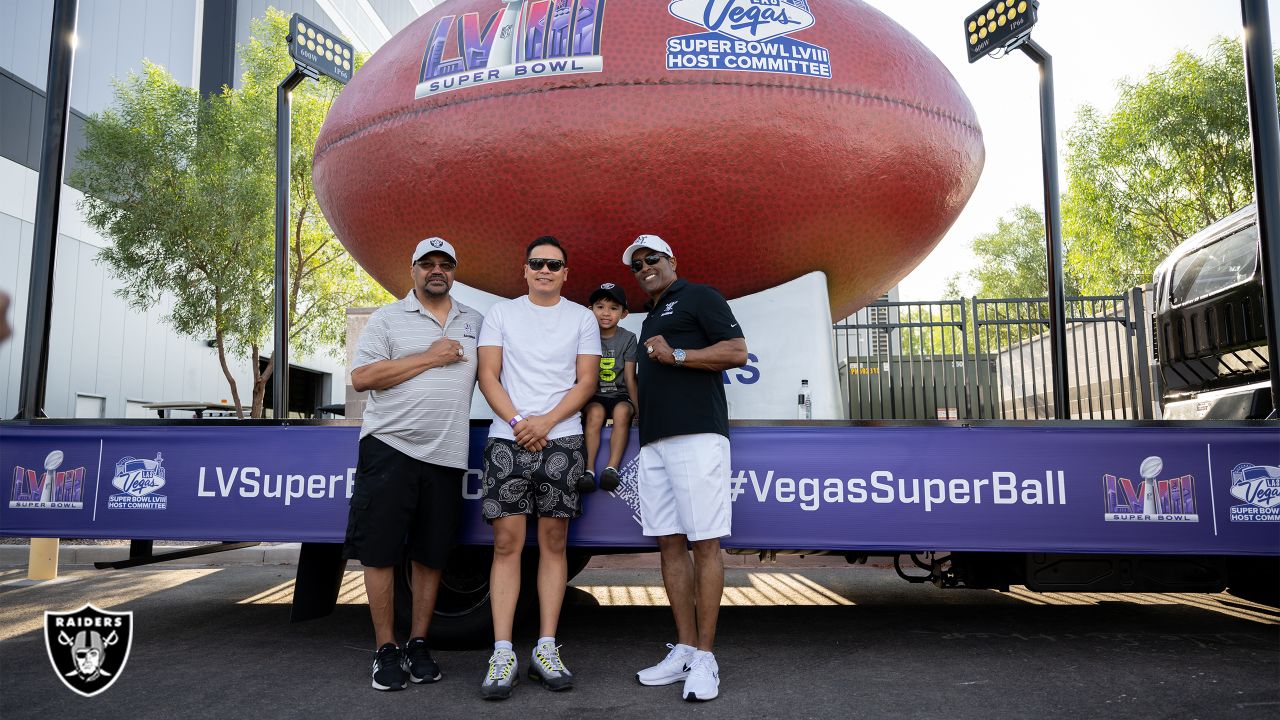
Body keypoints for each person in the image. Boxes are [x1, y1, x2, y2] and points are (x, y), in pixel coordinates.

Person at [345, 237, 482, 691]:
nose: (436, 270)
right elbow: (364, 378)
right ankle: (386, 648)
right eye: (428, 264)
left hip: (446, 454)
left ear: (454, 272)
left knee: (431, 555)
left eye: (445, 264)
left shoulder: (474, 321)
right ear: (414, 271)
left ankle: (418, 643)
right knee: (381, 553)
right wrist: (431, 356)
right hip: (390, 447)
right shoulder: (388, 318)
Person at [475, 236, 601, 700]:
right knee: (506, 544)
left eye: (554, 264)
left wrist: (545, 422)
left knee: (554, 542)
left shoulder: (582, 318)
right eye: (537, 263)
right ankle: (503, 651)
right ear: (524, 269)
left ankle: (545, 648)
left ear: (566, 273)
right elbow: (488, 374)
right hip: (507, 439)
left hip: (562, 439)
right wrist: (517, 421)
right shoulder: (501, 314)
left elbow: (586, 380)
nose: (545, 270)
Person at [625, 233, 748, 702]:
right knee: (669, 543)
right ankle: (684, 648)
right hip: (655, 442)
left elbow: (736, 351)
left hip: (698, 436)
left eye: (651, 258)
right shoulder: (651, 312)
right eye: (636, 264)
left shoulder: (698, 295)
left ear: (672, 260)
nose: (644, 267)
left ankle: (707, 658)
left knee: (704, 542)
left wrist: (677, 354)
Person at [579, 282, 639, 494]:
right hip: (593, 395)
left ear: (624, 313)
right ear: (590, 310)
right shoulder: (583, 335)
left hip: (620, 394)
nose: (606, 313)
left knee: (623, 412)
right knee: (595, 413)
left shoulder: (629, 338)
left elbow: (631, 378)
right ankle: (588, 470)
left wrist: (639, 410)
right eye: (600, 306)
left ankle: (611, 468)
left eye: (613, 308)